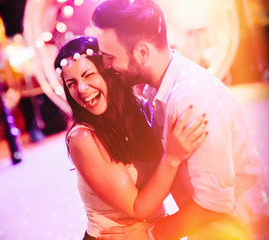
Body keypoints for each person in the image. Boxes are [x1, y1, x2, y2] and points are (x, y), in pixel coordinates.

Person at [91, 0, 269, 239]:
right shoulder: (157, 87)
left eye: (110, 56)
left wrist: (151, 234)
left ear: (142, 52)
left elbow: (214, 202)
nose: (106, 65)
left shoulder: (192, 101)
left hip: (239, 227)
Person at [54, 36, 209, 239]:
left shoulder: (140, 109)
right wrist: (172, 158)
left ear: (108, 73)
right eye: (71, 83)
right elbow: (138, 208)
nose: (81, 89)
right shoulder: (83, 138)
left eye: (89, 75)